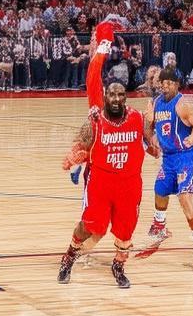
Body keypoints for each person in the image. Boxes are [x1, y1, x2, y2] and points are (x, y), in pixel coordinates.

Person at [57, 23, 158, 288]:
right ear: (106, 96)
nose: (115, 98)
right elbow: (93, 76)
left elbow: (152, 145)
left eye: (120, 95)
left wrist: (156, 140)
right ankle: (69, 257)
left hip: (129, 183)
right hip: (101, 181)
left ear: (125, 98)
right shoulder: (96, 117)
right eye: (111, 94)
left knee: (125, 231)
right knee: (90, 226)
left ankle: (119, 265)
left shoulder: (137, 118)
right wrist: (75, 159)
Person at [145, 65, 193, 271]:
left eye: (169, 83)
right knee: (160, 190)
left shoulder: (182, 105)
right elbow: (150, 130)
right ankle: (160, 225)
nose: (165, 86)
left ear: (177, 84)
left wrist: (192, 138)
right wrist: (151, 134)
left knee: (184, 199)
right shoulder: (156, 103)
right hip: (168, 157)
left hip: (185, 157)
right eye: (163, 83)